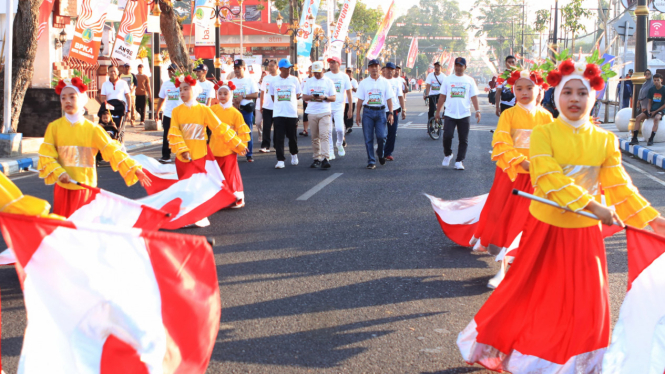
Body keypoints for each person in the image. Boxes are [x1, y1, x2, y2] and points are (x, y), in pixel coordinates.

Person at [457, 54, 665, 374]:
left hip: (585, 235)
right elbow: (548, 179)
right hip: (547, 230)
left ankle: (582, 363)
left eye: (582, 93)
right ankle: (523, 353)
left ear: (593, 97)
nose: (575, 99)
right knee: (528, 296)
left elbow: (621, 187)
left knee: (590, 303)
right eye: (568, 92)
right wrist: (594, 205)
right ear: (557, 94)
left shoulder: (605, 139)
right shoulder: (546, 133)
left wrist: (653, 220)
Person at [470, 68, 553, 289]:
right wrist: (520, 162)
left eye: (529, 88)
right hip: (513, 172)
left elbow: (554, 146)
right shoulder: (508, 114)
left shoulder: (547, 117)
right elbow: (501, 142)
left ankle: (510, 265)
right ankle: (503, 260)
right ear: (513, 90)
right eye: (519, 88)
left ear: (539, 90)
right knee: (503, 214)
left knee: (525, 220)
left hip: (537, 176)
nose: (524, 92)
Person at [38, 76, 151, 217]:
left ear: (81, 99)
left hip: (85, 187)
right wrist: (59, 172)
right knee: (63, 229)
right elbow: (46, 155)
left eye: (72, 97)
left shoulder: (93, 129)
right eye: (63, 98)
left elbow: (113, 150)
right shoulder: (54, 128)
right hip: (63, 188)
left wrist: (133, 168)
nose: (67, 101)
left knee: (84, 229)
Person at [434, 57, 480, 170]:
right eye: (457, 65)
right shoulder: (448, 79)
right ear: (454, 66)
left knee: (463, 139)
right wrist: (438, 111)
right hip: (450, 113)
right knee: (447, 136)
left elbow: (473, 96)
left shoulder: (469, 80)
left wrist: (478, 110)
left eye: (461, 66)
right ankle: (448, 154)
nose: (458, 68)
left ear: (465, 67)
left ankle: (459, 161)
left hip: (464, 114)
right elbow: (442, 96)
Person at [210, 81, 250, 208]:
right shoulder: (212, 110)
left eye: (225, 93)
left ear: (230, 94)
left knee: (230, 174)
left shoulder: (236, 113)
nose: (222, 96)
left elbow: (242, 130)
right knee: (215, 175)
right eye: (219, 93)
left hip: (229, 149)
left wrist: (242, 146)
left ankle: (236, 198)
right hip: (214, 148)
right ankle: (218, 199)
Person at [355, 59, 395, 169]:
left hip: (381, 112)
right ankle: (371, 161)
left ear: (379, 68)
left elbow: (389, 99)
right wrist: (357, 114)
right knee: (368, 138)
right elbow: (359, 100)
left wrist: (390, 113)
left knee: (382, 136)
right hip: (368, 112)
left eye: (376, 66)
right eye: (371, 66)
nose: (374, 68)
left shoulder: (385, 82)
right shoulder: (364, 83)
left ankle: (381, 153)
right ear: (368, 69)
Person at [269, 59, 302, 169]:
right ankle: (280, 159)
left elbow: (297, 94)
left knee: (292, 136)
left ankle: (294, 154)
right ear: (280, 68)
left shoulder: (294, 80)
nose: (288, 70)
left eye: (289, 68)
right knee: (279, 137)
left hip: (291, 113)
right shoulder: (274, 81)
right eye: (286, 68)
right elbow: (273, 96)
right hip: (278, 113)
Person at [303, 61, 336, 169]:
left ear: (323, 70)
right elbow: (304, 97)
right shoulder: (309, 81)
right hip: (312, 112)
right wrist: (311, 96)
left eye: (318, 72)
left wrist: (324, 98)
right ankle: (317, 158)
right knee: (315, 137)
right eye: (314, 72)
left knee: (324, 135)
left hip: (324, 112)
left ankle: (325, 158)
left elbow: (334, 97)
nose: (316, 74)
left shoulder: (328, 82)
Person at [230, 59, 259, 162]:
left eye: (239, 68)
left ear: (244, 68)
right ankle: (235, 152)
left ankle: (249, 154)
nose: (237, 70)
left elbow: (255, 94)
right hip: (235, 110)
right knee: (234, 132)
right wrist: (233, 100)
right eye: (235, 68)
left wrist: (243, 96)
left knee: (247, 131)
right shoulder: (232, 81)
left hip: (246, 109)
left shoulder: (250, 80)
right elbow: (228, 95)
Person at [324, 56, 353, 159]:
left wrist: (350, 109)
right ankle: (330, 151)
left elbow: (349, 93)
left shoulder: (344, 76)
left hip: (339, 106)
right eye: (330, 63)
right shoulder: (325, 76)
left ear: (339, 64)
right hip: (327, 106)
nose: (331, 64)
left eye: (333, 62)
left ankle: (339, 144)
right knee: (328, 130)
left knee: (340, 129)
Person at [155, 64, 183, 163]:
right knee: (167, 135)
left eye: (173, 71)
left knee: (181, 135)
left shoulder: (182, 83)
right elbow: (161, 98)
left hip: (181, 114)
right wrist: (157, 111)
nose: (171, 73)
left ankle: (182, 154)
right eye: (169, 71)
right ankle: (166, 156)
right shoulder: (165, 84)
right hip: (168, 113)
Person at [631, 72, 665, 146]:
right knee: (638, 118)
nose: (656, 82)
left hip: (660, 110)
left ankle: (651, 139)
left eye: (658, 80)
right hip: (652, 109)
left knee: (656, 119)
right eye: (655, 80)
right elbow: (649, 102)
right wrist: (649, 110)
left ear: (661, 80)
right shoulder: (651, 89)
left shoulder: (664, 89)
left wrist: (656, 111)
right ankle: (635, 138)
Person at [384, 62, 406, 161]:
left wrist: (404, 109)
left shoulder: (397, 82)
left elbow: (400, 96)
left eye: (392, 69)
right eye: (388, 69)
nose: (390, 71)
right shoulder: (381, 81)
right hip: (382, 109)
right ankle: (381, 149)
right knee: (381, 133)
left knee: (392, 132)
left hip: (394, 109)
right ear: (384, 70)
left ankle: (388, 152)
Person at [259, 59, 279, 153]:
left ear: (277, 67)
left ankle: (276, 145)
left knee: (277, 127)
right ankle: (265, 145)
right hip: (267, 106)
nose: (270, 67)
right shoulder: (266, 78)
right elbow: (262, 92)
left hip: (277, 107)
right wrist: (261, 105)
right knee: (266, 127)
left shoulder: (279, 78)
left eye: (272, 65)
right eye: (269, 66)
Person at [344, 67, 359, 134]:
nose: (348, 73)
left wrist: (351, 87)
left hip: (351, 100)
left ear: (352, 73)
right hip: (344, 100)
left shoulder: (354, 81)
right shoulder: (343, 80)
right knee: (344, 114)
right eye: (347, 72)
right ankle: (346, 126)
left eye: (350, 72)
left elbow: (356, 90)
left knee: (350, 113)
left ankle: (349, 126)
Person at [300, 65, 313, 136]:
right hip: (306, 100)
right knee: (305, 115)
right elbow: (301, 89)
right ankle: (305, 130)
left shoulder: (316, 80)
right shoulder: (305, 80)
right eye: (309, 70)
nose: (310, 72)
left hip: (315, 101)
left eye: (312, 70)